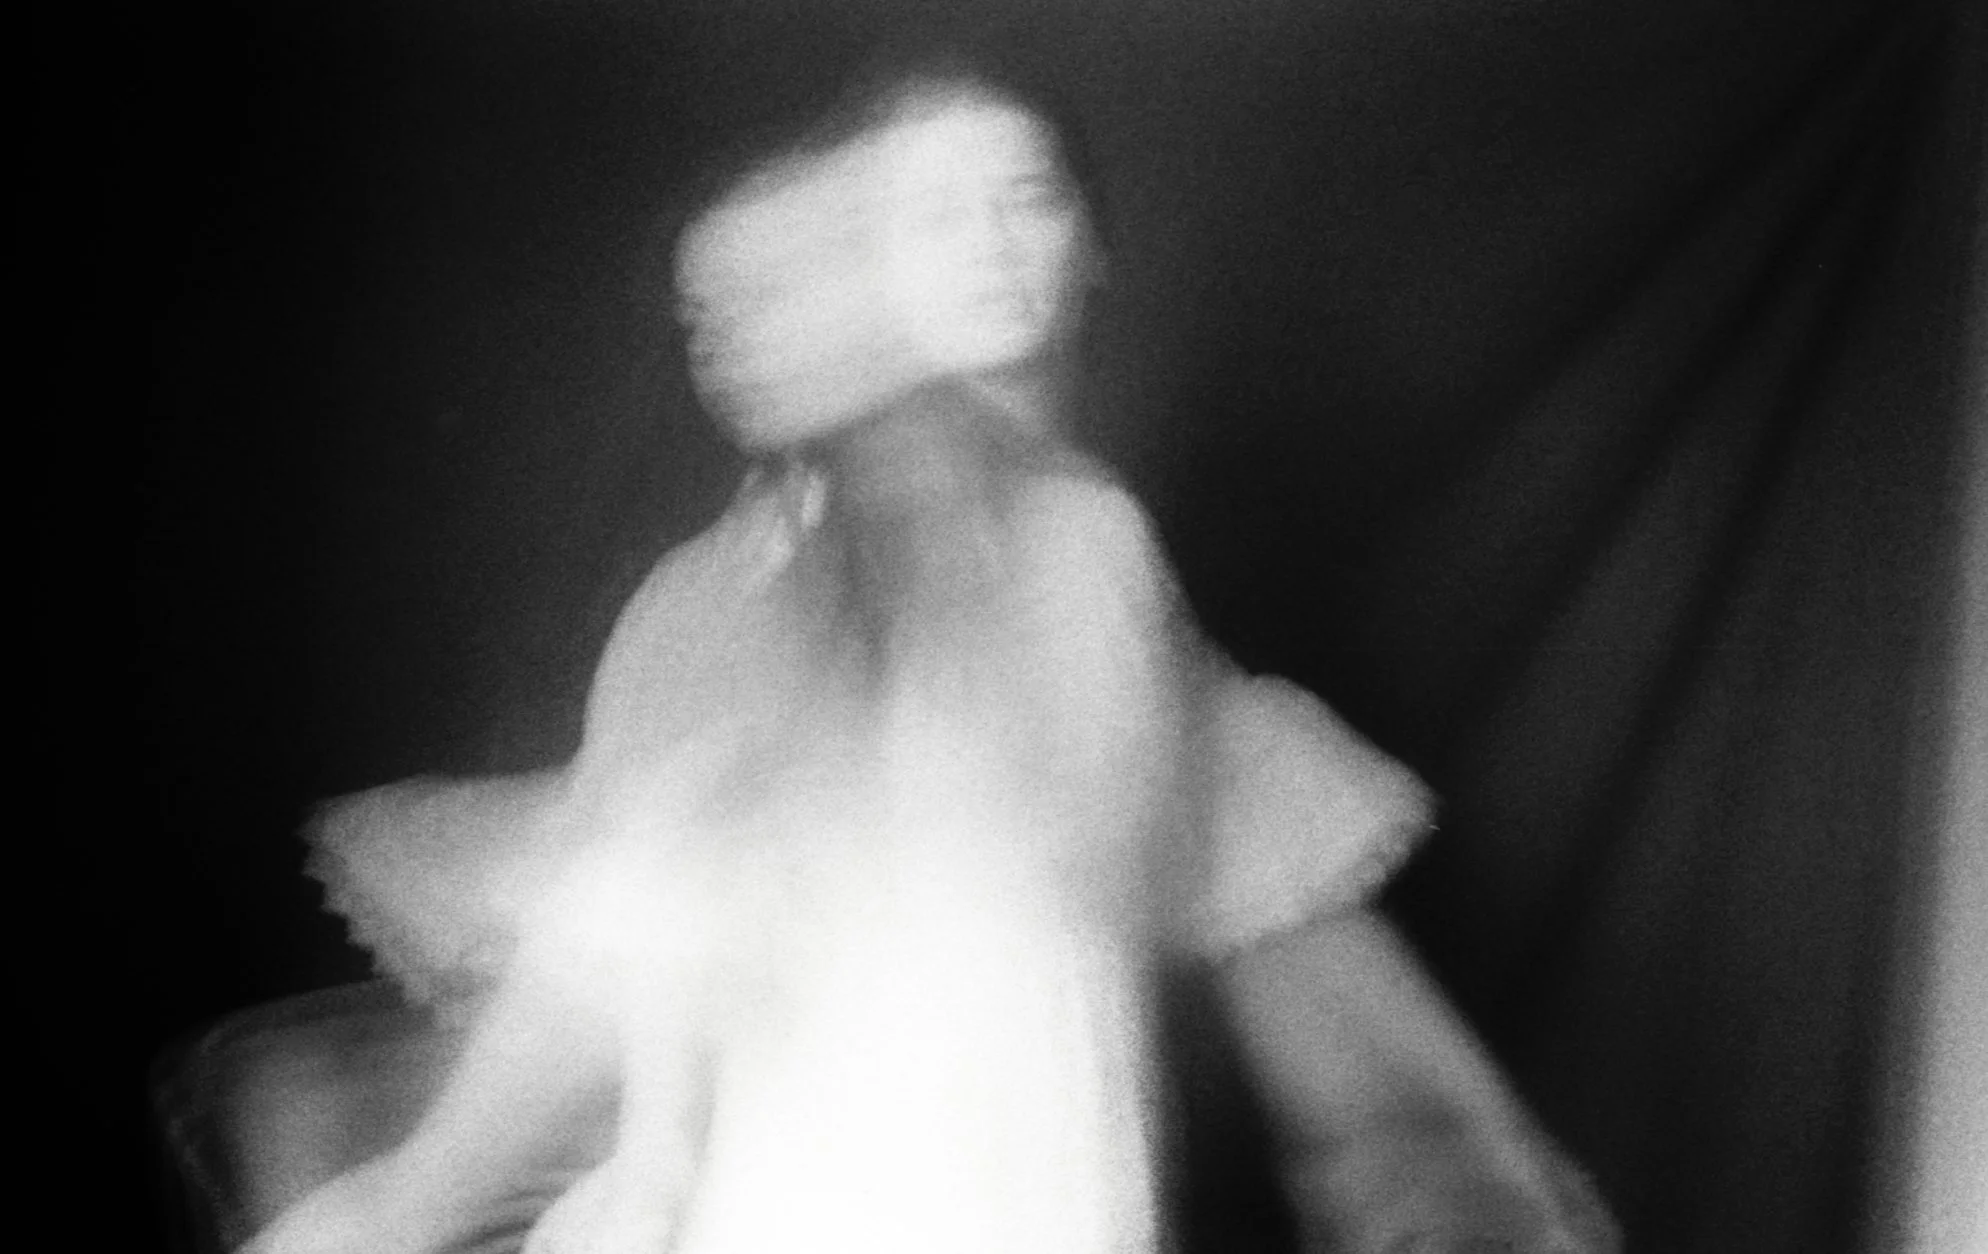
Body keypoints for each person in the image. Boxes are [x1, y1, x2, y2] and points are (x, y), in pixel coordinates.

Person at [243, 54, 1619, 1254]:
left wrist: (1465, 1171)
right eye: (929, 212)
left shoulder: (1108, 576)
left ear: (1091, 243)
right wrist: (488, 1188)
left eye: (1028, 195)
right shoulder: (725, 600)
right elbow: (633, 937)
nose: (991, 246)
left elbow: (1350, 1062)